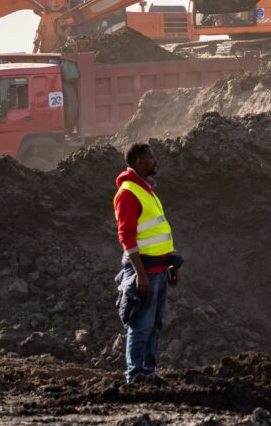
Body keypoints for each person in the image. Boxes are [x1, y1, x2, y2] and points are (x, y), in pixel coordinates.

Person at [113, 142, 181, 383]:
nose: (156, 162)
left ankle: (148, 373)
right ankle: (135, 377)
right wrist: (140, 274)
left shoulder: (147, 190)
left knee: (154, 326)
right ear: (140, 162)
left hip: (159, 270)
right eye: (152, 159)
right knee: (141, 325)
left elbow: (159, 232)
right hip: (146, 272)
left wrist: (172, 265)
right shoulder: (129, 193)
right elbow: (126, 236)